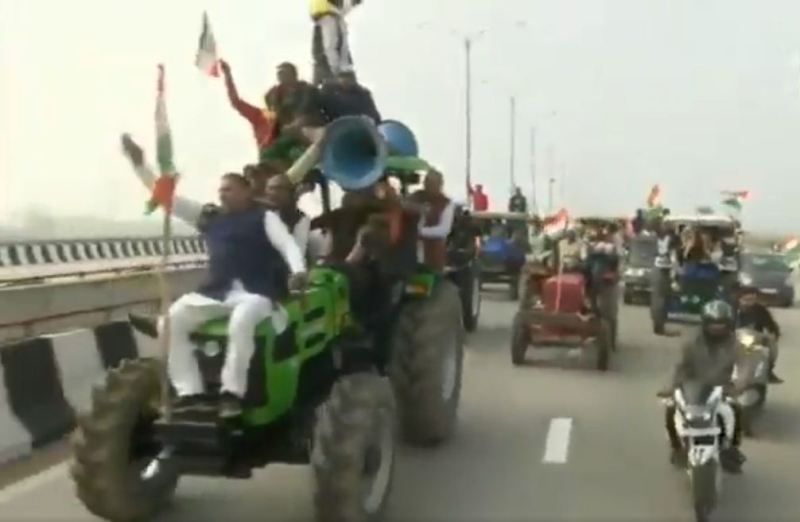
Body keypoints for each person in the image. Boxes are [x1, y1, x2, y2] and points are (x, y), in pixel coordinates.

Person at [121, 135, 307, 419]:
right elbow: (166, 199)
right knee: (170, 321)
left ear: (246, 192)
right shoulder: (210, 217)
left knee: (241, 321)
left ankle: (232, 393)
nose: (222, 195)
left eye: (228, 189)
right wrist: (139, 165)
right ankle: (190, 392)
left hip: (256, 294)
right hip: (217, 292)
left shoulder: (265, 218)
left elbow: (288, 245)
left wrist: (299, 271)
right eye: (220, 190)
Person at [661, 300, 746, 472]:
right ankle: (677, 448)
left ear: (729, 324)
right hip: (692, 385)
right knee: (671, 408)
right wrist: (670, 387)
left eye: (721, 324)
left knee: (736, 409)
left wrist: (739, 386)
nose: (717, 328)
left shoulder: (737, 344)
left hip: (721, 387)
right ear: (705, 323)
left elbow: (745, 367)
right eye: (713, 323)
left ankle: (731, 449)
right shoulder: (691, 341)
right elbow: (679, 365)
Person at [260, 62, 326, 168]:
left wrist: (301, 122)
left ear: (293, 74)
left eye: (283, 73)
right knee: (267, 152)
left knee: (298, 153)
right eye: (279, 73)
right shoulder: (274, 95)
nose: (280, 76)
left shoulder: (308, 90)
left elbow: (316, 110)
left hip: (309, 129)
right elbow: (272, 115)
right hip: (286, 133)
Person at [219, 60, 278, 157]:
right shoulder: (259, 115)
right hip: (268, 157)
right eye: (272, 98)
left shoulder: (291, 113)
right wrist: (227, 74)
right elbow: (236, 101)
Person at [411, 170, 456, 272]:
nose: (427, 186)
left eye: (431, 183)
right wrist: (415, 207)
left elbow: (444, 230)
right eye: (426, 182)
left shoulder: (446, 203)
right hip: (412, 253)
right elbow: (403, 206)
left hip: (434, 254)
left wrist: (420, 231)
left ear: (440, 185)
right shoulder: (417, 196)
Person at [736, 286, 783, 383]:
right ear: (740, 299)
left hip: (755, 336)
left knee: (771, 343)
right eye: (746, 300)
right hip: (735, 336)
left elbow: (771, 325)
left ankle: (768, 370)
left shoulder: (761, 310)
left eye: (752, 300)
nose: (749, 302)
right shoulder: (733, 309)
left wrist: (774, 334)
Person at [310, 0, 360, 85]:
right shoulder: (330, 21)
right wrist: (337, 72)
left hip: (332, 72)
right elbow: (330, 48)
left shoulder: (334, 22)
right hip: (331, 74)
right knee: (331, 46)